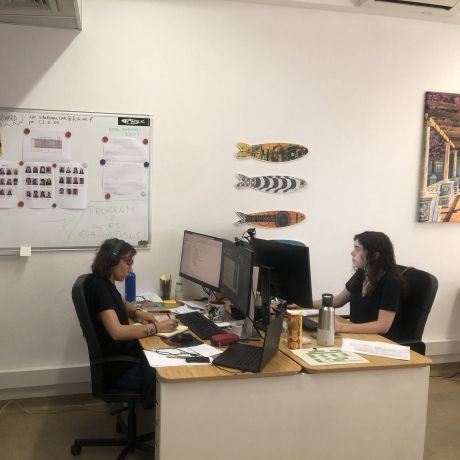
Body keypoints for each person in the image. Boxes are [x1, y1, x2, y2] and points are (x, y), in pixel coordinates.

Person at [86, 238, 178, 396]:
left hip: (124, 360)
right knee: (172, 371)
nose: (130, 269)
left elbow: (122, 303)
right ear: (112, 260)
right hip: (121, 371)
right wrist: (158, 327)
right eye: (128, 263)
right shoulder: (100, 289)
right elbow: (117, 332)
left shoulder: (102, 282)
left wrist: (138, 313)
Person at [313, 231, 401, 337]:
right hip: (356, 336)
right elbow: (337, 301)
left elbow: (382, 326)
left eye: (357, 249)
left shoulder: (391, 282)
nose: (352, 253)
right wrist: (303, 303)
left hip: (378, 341)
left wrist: (342, 327)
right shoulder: (362, 274)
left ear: (375, 255)